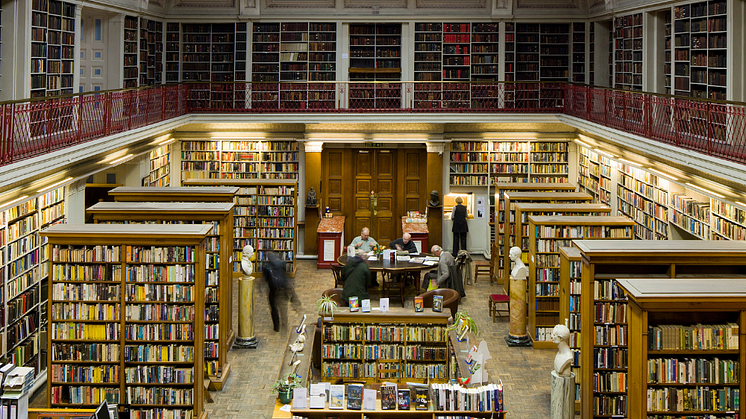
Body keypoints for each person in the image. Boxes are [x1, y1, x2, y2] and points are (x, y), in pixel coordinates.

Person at [263, 251, 301, 332]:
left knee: (274, 308)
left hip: (273, 290)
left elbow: (265, 279)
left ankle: (276, 326)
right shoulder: (282, 263)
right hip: (283, 288)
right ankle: (284, 324)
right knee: (283, 308)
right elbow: (285, 274)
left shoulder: (266, 267)